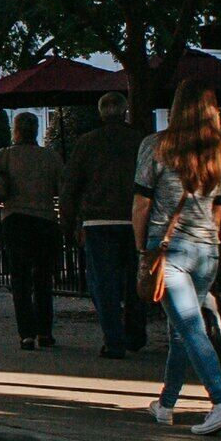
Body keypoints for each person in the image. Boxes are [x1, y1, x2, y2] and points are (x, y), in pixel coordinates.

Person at [133, 79, 221, 433]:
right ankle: (166, 403)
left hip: (168, 248)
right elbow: (220, 208)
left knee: (190, 327)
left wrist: (143, 249)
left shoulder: (156, 146)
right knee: (183, 329)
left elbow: (141, 203)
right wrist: (214, 239)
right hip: (207, 249)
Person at [59, 91, 145, 359]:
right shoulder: (140, 141)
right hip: (134, 219)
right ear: (125, 110)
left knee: (103, 283)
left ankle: (113, 339)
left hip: (97, 221)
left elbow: (70, 187)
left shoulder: (87, 143)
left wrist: (68, 223)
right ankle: (135, 333)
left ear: (100, 113)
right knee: (135, 280)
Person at [0, 112, 66, 348]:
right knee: (44, 278)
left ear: (15, 130)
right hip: (45, 220)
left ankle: (26, 333)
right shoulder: (50, 157)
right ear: (36, 130)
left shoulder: (4, 155)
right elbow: (63, 187)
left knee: (20, 278)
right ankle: (45, 332)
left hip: (15, 220)